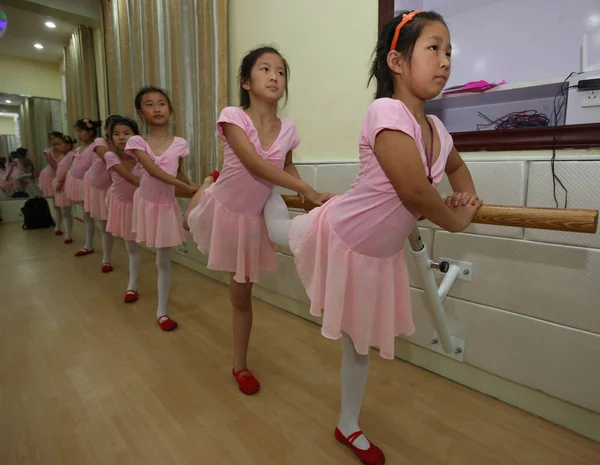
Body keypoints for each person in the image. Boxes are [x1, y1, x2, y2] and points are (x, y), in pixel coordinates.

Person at [262, 11, 482, 465]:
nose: (445, 61)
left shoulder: (438, 130)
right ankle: (261, 189)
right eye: (433, 48)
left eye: (449, 52)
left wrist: (467, 196)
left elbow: (455, 169)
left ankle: (348, 425)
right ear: (397, 61)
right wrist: (456, 221)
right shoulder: (385, 111)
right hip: (341, 233)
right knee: (276, 231)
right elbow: (417, 192)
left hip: (376, 257)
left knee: (357, 344)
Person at [184, 46, 330, 395]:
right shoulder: (233, 116)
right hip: (221, 207)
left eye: (281, 72)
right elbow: (254, 164)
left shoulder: (288, 129)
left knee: (241, 299)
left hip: (249, 221)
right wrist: (305, 188)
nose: (274, 77)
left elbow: (285, 166)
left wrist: (310, 202)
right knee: (189, 222)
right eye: (265, 69)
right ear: (246, 81)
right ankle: (206, 185)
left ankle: (240, 364)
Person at [125, 86, 198, 331]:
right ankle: (131, 284)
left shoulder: (180, 143)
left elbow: (177, 172)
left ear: (171, 110)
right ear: (140, 112)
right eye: (149, 104)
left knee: (163, 261)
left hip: (166, 206)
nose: (157, 108)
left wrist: (195, 186)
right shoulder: (136, 141)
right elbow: (154, 172)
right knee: (135, 248)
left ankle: (162, 311)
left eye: (161, 103)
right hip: (145, 203)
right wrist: (183, 187)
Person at [105, 117, 142, 302]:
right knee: (132, 248)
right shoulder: (111, 156)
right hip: (123, 206)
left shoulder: (142, 156)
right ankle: (132, 286)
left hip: (142, 204)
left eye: (126, 133)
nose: (121, 137)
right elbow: (133, 179)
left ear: (136, 136)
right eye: (116, 134)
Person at [83, 115, 122, 272]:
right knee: (101, 224)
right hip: (95, 188)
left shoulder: (124, 144)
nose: (116, 132)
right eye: (112, 127)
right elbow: (109, 159)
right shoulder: (100, 142)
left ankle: (106, 258)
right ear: (106, 129)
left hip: (111, 188)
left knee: (108, 226)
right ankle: (102, 256)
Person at [64, 118, 104, 257]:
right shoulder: (78, 149)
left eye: (82, 131)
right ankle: (88, 244)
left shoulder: (96, 146)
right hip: (78, 184)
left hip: (90, 186)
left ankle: (101, 250)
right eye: (78, 132)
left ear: (91, 132)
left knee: (98, 216)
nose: (79, 135)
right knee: (86, 215)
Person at [52, 134, 78, 244]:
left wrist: (62, 180)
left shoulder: (72, 154)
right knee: (61, 210)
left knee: (66, 211)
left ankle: (68, 235)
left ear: (68, 145)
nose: (57, 147)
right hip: (60, 183)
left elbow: (70, 168)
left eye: (60, 144)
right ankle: (63, 230)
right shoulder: (64, 156)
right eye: (56, 145)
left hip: (65, 184)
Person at [38, 132, 65, 235]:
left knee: (63, 203)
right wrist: (61, 176)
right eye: (51, 139)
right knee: (56, 204)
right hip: (50, 177)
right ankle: (58, 226)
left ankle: (63, 225)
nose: (54, 141)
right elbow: (53, 164)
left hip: (62, 177)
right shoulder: (48, 151)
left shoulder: (66, 151)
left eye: (56, 138)